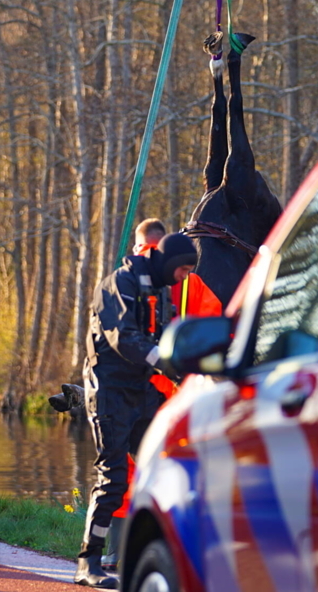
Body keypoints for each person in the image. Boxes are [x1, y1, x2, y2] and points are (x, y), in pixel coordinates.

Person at [74, 232, 199, 589]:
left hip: (141, 388)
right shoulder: (121, 283)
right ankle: (89, 562)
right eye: (184, 270)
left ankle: (149, 557)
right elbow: (123, 337)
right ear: (171, 263)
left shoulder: (161, 289)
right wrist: (168, 363)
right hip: (110, 388)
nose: (185, 277)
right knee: (113, 477)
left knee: (164, 466)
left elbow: (162, 335)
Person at [98, 220, 223, 573]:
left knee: (130, 470)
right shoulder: (151, 285)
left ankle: (121, 551)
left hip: (161, 392)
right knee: (153, 470)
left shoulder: (175, 286)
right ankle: (135, 551)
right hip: (165, 391)